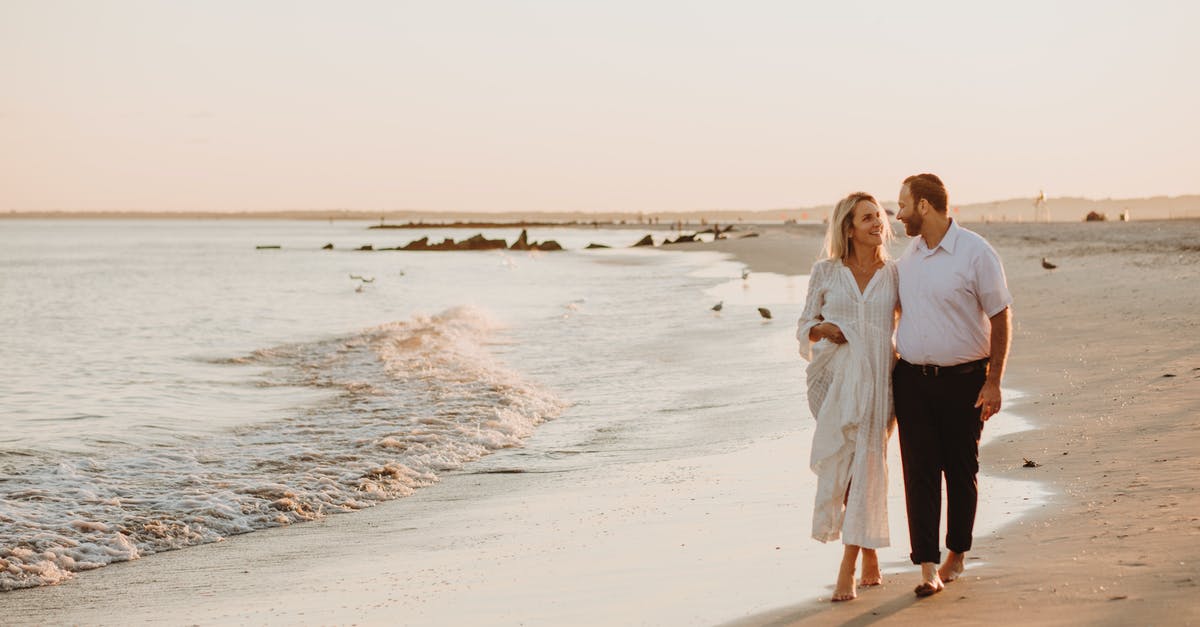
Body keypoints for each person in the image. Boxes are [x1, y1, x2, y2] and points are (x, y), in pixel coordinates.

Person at [893, 173, 1013, 597]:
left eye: (903, 204)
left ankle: (956, 554)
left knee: (960, 471)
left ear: (924, 205)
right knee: (919, 473)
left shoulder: (975, 252)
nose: (898, 212)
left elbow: (1000, 317)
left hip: (964, 381)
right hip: (911, 381)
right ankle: (927, 566)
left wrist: (994, 382)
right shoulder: (906, 258)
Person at [796, 192, 898, 602]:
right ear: (849, 227)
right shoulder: (825, 271)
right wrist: (827, 330)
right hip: (834, 384)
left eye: (879, 216)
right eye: (867, 218)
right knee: (851, 461)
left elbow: (912, 323)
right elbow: (805, 324)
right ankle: (869, 552)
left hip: (880, 382)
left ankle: (849, 566)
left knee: (868, 464)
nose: (878, 223)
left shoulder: (894, 274)